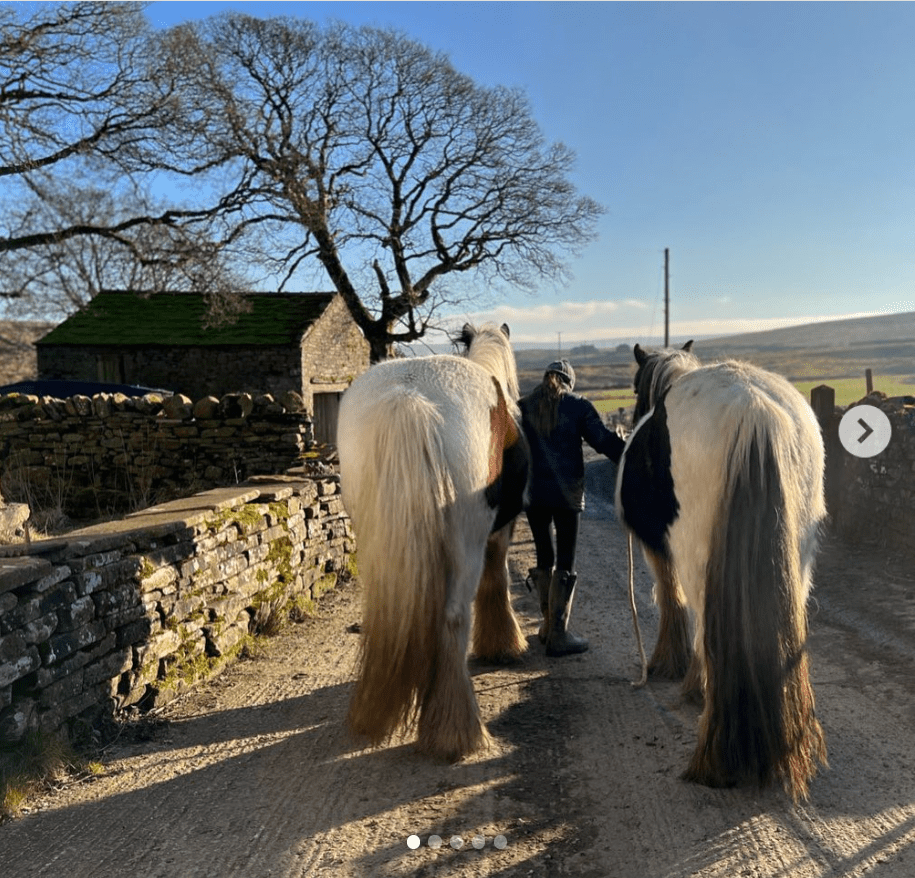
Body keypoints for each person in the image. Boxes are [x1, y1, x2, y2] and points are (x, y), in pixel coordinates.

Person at [519, 359, 626, 657]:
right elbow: (603, 442)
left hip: (533, 495)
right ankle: (558, 634)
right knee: (565, 558)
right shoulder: (579, 406)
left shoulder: (523, 406)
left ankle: (547, 625)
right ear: (569, 382)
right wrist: (631, 456)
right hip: (567, 495)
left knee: (544, 553)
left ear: (546, 378)